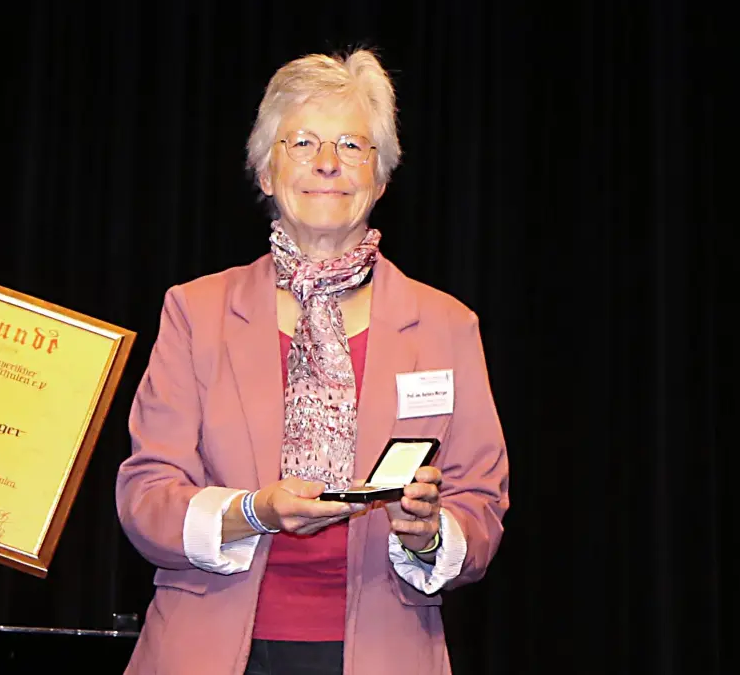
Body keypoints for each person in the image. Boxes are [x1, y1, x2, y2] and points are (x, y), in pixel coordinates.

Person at [115, 49, 508, 675]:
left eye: (352, 145)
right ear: (265, 173)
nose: (328, 162)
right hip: (206, 648)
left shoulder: (446, 326)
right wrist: (254, 512)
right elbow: (147, 497)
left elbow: (480, 503)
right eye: (302, 143)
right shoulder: (196, 311)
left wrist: (430, 533)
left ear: (381, 179)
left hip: (386, 651)